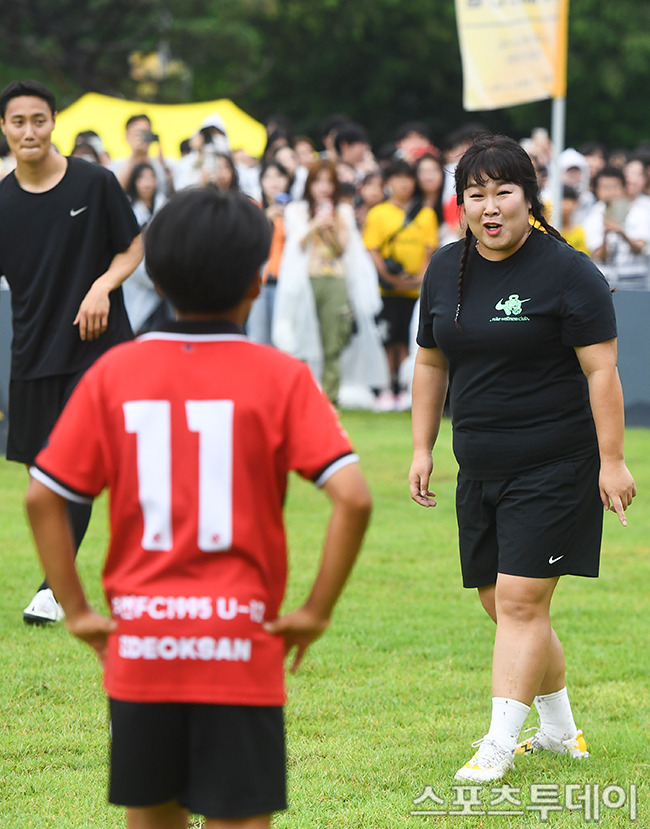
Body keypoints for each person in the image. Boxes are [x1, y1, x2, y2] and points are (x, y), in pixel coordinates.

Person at [25, 187, 372, 829]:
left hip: (142, 649)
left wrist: (75, 611)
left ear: (154, 275)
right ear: (255, 281)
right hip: (240, 649)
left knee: (151, 818)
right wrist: (315, 611)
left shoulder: (113, 373)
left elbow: (44, 493)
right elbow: (351, 496)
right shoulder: (281, 376)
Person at [409, 134, 636, 783]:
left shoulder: (569, 272)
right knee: (500, 600)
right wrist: (423, 445)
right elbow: (430, 360)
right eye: (475, 194)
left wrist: (611, 461)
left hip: (556, 463)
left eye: (503, 191)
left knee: (519, 601)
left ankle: (498, 744)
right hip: (478, 466)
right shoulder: (446, 267)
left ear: (529, 198)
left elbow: (602, 372)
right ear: (460, 205)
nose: (489, 206)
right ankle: (561, 729)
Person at [0, 79, 143, 624]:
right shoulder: (4, 201)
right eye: (19, 122)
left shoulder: (94, 183)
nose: (30, 131)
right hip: (33, 352)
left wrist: (103, 286)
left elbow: (134, 245)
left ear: (54, 120)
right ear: (5, 129)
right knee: (45, 480)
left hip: (97, 350)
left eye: (39, 119)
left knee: (78, 469)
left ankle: (51, 591)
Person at [273, 159, 388, 406]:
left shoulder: (343, 212)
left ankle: (329, 399)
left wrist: (331, 227)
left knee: (332, 341)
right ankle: (300, 398)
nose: (323, 187)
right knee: (301, 337)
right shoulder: (297, 210)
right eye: (318, 181)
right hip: (305, 281)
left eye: (328, 181)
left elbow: (344, 250)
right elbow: (296, 246)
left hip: (335, 279)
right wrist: (315, 225)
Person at [363, 159, 438, 410]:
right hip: (385, 289)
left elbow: (430, 250)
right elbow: (372, 250)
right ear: (388, 182)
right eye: (398, 178)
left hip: (416, 291)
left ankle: (406, 387)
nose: (404, 183)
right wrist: (390, 277)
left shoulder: (426, 214)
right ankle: (386, 386)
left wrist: (420, 278)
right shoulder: (378, 213)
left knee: (409, 338)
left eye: (408, 178)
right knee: (387, 338)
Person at [583, 165, 650, 289]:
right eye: (605, 187)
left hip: (637, 283)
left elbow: (640, 247)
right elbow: (599, 256)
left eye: (614, 186)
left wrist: (622, 232)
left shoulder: (640, 212)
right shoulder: (593, 217)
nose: (610, 192)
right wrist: (605, 234)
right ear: (597, 190)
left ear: (624, 188)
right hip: (605, 284)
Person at [123, 162, 170, 335]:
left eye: (151, 177)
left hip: (165, 284)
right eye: (142, 178)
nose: (147, 183)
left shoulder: (165, 206)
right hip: (139, 283)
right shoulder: (128, 209)